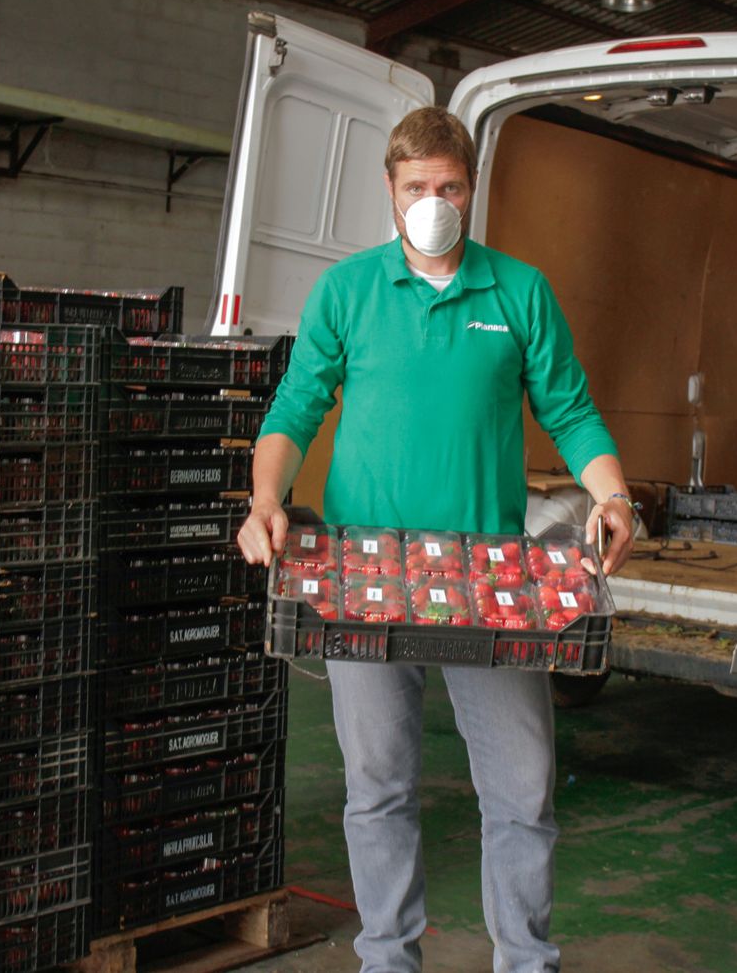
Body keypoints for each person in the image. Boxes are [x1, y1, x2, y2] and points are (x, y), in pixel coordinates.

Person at [236, 106, 636, 973]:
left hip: (490, 582)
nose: (433, 201)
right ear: (389, 189)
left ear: (471, 187)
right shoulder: (346, 292)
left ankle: (526, 960)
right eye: (416, 187)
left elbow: (569, 408)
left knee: (522, 790)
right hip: (361, 576)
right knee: (377, 787)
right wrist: (266, 496)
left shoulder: (519, 292)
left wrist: (613, 494)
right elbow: (296, 406)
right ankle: (388, 958)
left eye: (448, 185)